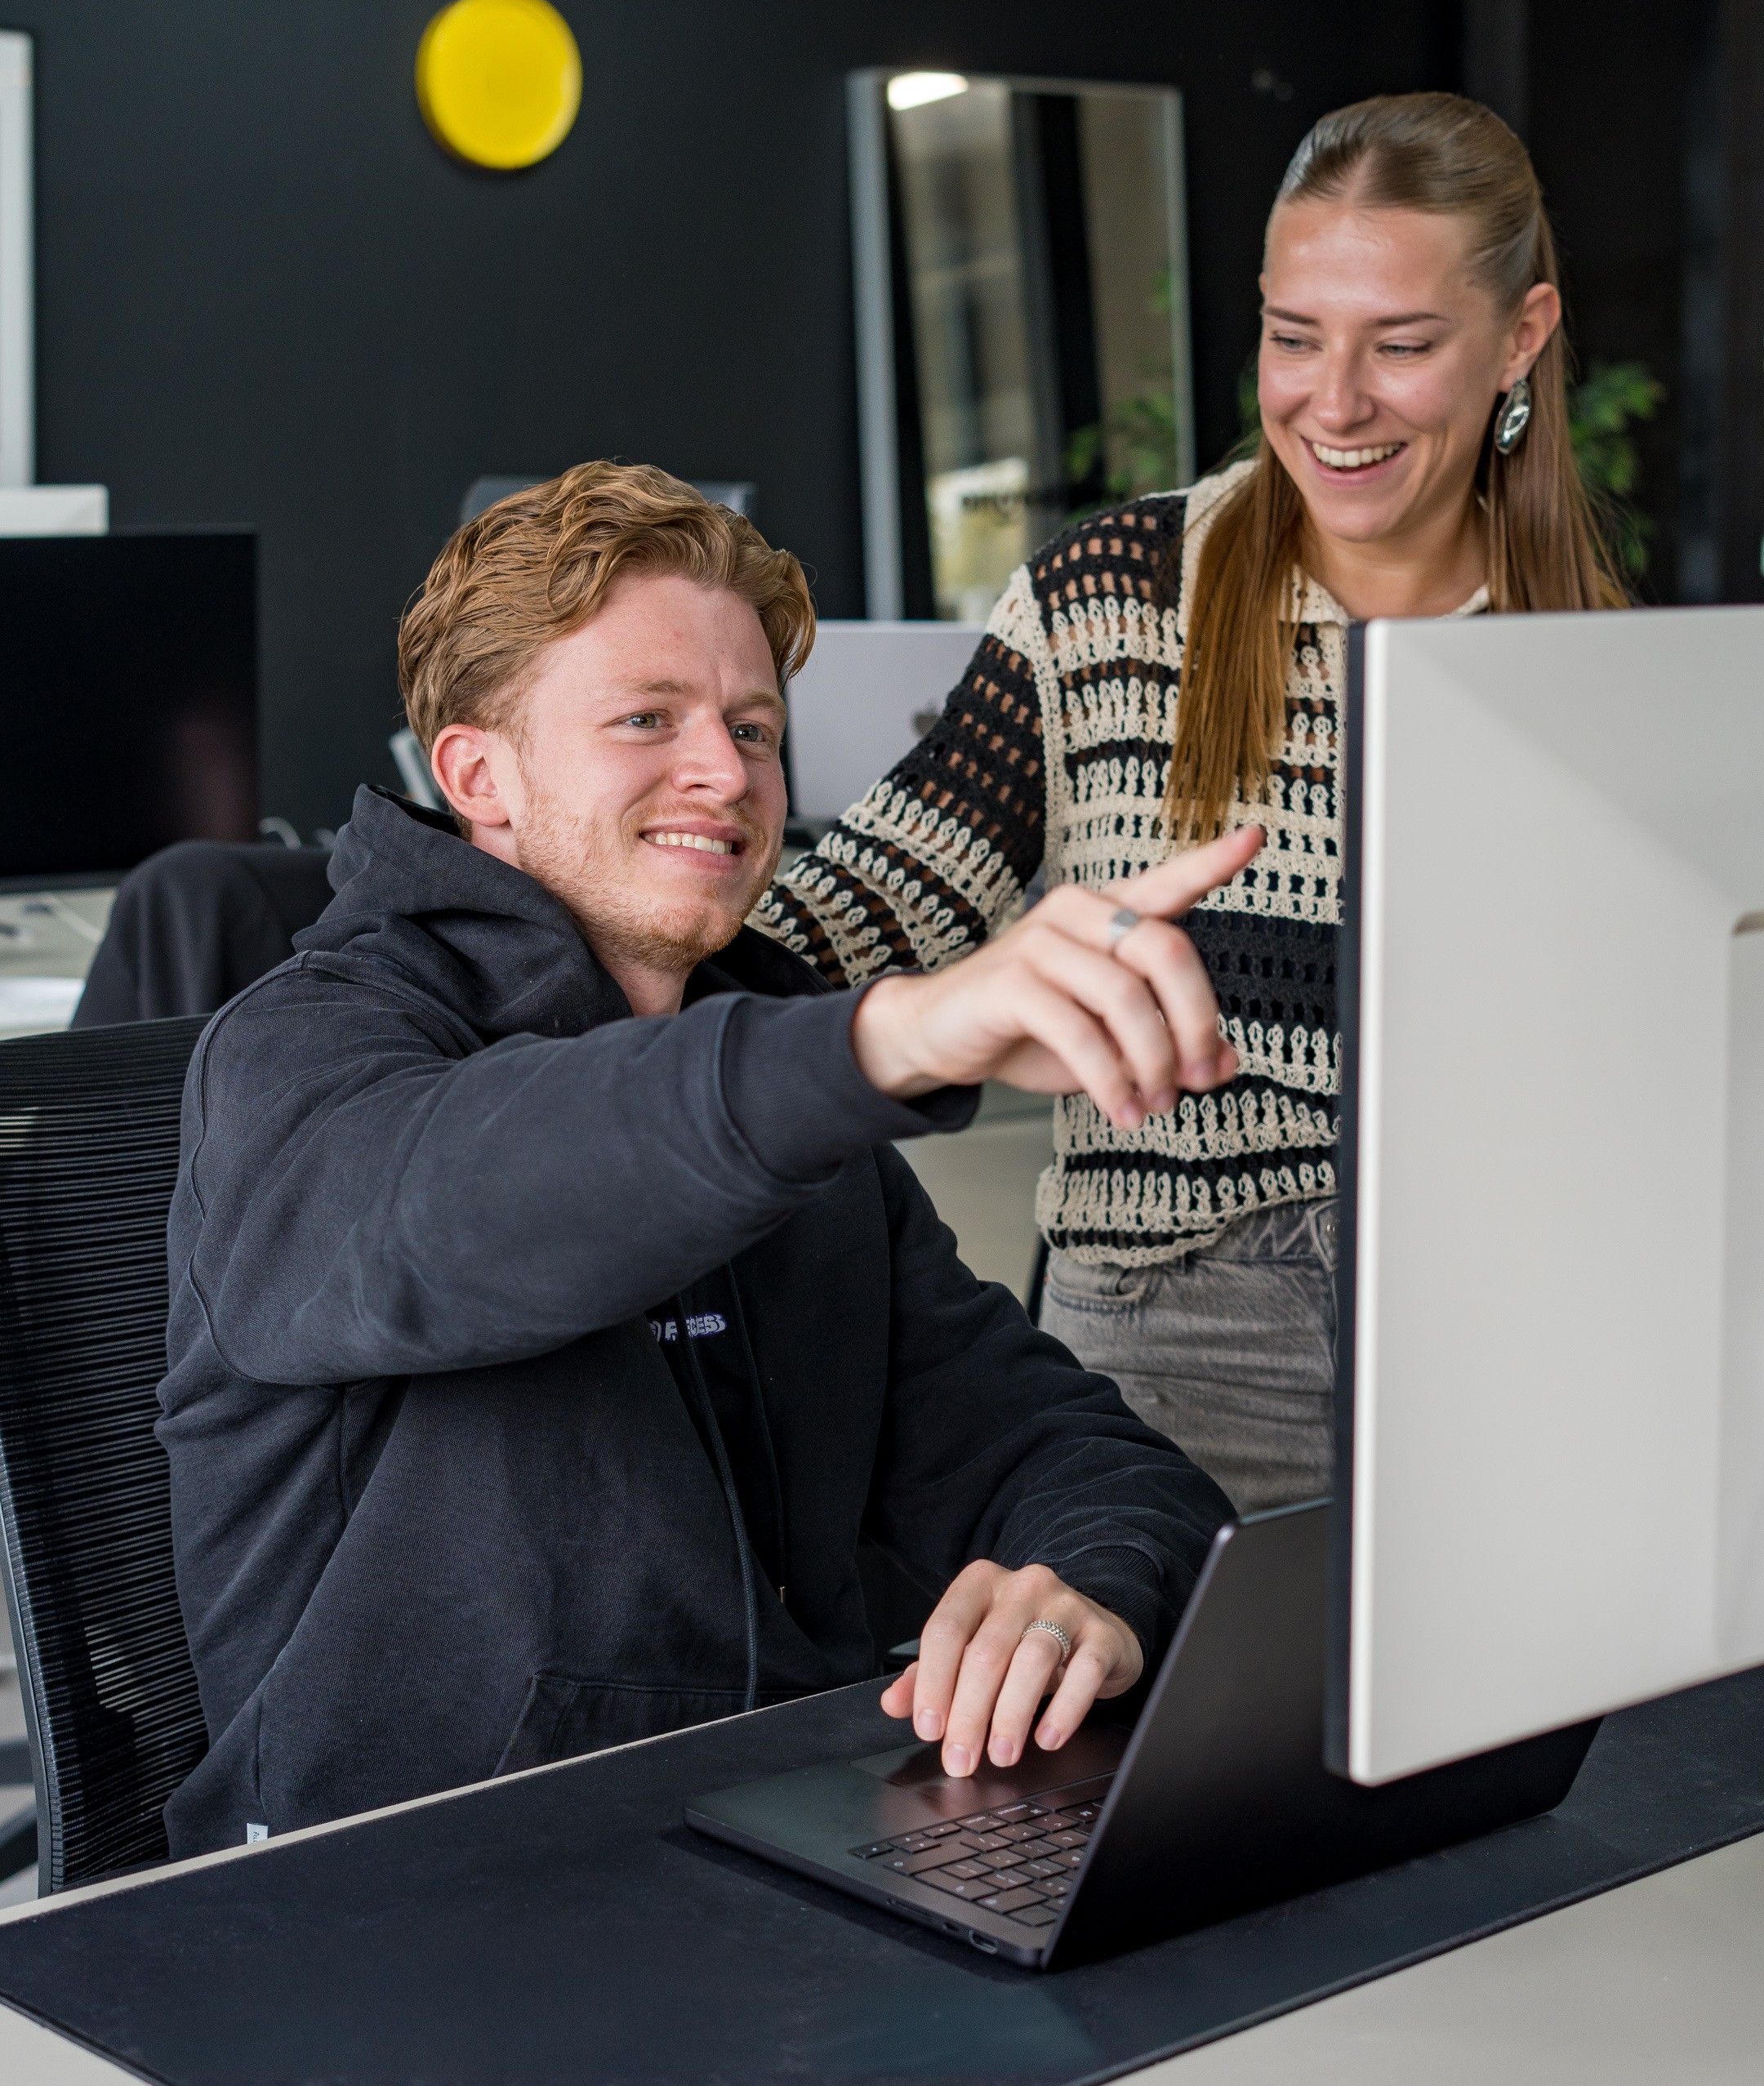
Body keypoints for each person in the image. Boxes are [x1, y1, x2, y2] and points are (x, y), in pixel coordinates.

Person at [157, 462, 1250, 1856]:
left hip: (779, 1838)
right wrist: (879, 1041)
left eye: (754, 725)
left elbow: (1069, 1450)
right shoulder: (303, 1056)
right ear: (477, 774)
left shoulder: (778, 1078)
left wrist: (1090, 1590)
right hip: (398, 1903)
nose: (727, 775)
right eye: (645, 720)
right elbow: (472, 1204)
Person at [757, 91, 1626, 1515]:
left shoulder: (1594, 670)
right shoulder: (1114, 600)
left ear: (1520, 337)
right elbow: (877, 901)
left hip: (1510, 1338)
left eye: (1400, 346)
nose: (1332, 403)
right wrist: (600, 946)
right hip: (1185, 1335)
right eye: (1295, 337)